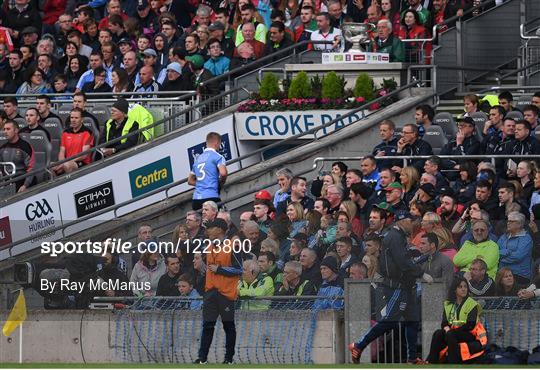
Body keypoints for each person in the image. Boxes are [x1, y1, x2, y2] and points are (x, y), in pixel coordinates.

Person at [349, 211, 425, 364]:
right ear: (402, 221)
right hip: (397, 286)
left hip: (405, 285)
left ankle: (412, 358)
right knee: (390, 320)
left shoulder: (398, 236)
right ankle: (359, 345)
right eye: (411, 220)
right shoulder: (395, 237)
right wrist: (420, 272)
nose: (413, 223)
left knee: (412, 320)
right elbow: (402, 262)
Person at [195, 218, 243, 364]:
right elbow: (208, 269)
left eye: (211, 228)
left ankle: (228, 359)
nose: (208, 230)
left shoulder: (233, 246)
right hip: (210, 292)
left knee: (228, 326)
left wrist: (220, 269)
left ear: (220, 230)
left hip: (226, 293)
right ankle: (202, 358)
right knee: (207, 325)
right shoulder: (209, 247)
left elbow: (239, 269)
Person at [425, 277, 487, 364]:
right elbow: (444, 323)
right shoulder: (448, 304)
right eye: (460, 287)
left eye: (465, 287)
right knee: (438, 333)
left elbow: (470, 325)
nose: (463, 289)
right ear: (455, 289)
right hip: (453, 332)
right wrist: (446, 329)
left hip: (469, 334)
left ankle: (454, 362)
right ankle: (431, 362)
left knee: (451, 334)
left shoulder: (472, 303)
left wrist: (452, 330)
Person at [188, 132, 228, 211]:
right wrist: (221, 183)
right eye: (220, 144)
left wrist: (202, 183)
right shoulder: (218, 156)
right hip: (211, 197)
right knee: (220, 220)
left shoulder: (197, 159)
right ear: (217, 143)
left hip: (196, 199)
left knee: (201, 222)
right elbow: (223, 173)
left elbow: (190, 181)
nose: (219, 146)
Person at [53, 108, 94, 175]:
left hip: (82, 162)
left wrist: (67, 162)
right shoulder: (65, 133)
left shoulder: (87, 133)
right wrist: (62, 162)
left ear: (82, 120)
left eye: (76, 118)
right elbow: (61, 152)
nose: (73, 120)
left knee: (67, 165)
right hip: (67, 162)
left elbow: (84, 155)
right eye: (72, 118)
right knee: (51, 167)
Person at [498, 211, 533, 286]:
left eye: (511, 221)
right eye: (508, 221)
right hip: (502, 273)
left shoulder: (526, 238)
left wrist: (501, 257)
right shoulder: (504, 236)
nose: (508, 223)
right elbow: (495, 252)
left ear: (519, 224)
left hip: (519, 275)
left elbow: (517, 257)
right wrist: (507, 252)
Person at [0, 120, 35, 192]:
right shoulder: (2, 148)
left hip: (22, 181)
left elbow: (31, 169)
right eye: (4, 129)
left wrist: (25, 185)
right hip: (7, 182)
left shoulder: (25, 146)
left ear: (16, 130)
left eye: (8, 129)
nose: (5, 132)